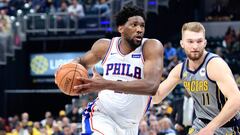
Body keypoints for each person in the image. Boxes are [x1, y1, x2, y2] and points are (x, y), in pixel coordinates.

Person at [64, 6, 163, 135]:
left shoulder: (151, 47)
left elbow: (151, 86)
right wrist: (67, 68)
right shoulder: (105, 46)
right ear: (120, 28)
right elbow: (81, 62)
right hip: (103, 115)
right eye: (134, 25)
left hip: (131, 126)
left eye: (142, 26)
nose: (139, 29)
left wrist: (105, 84)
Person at [152, 22, 240, 135]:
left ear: (205, 43)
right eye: (190, 41)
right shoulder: (180, 69)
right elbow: (157, 97)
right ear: (182, 43)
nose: (195, 46)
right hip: (201, 124)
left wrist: (211, 128)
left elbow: (236, 99)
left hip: (227, 125)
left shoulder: (215, 65)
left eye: (199, 41)